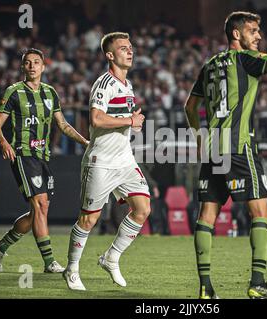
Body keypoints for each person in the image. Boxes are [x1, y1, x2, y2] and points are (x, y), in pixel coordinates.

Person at [184, 11, 267, 299]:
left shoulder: (210, 64)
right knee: (261, 211)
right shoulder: (246, 59)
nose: (258, 36)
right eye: (253, 31)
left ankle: (205, 287)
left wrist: (199, 136)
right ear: (237, 34)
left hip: (213, 147)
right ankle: (258, 281)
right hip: (238, 147)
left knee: (207, 215)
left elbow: (190, 106)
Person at [62, 32, 150, 291]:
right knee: (89, 219)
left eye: (131, 47)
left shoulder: (127, 84)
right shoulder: (104, 84)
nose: (130, 51)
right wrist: (129, 121)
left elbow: (121, 118)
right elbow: (96, 120)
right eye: (124, 48)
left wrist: (133, 121)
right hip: (100, 160)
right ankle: (72, 269)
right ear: (110, 55)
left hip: (124, 159)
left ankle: (111, 257)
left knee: (143, 208)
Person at [0, 48, 89, 273]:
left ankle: (1, 245)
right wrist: (5, 143)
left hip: (43, 156)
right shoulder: (14, 92)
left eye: (36, 62)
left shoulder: (50, 92)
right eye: (27, 62)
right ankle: (49, 262)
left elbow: (62, 125)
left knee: (38, 212)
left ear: (43, 67)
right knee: (40, 205)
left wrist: (85, 141)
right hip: (23, 154)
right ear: (22, 67)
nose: (32, 66)